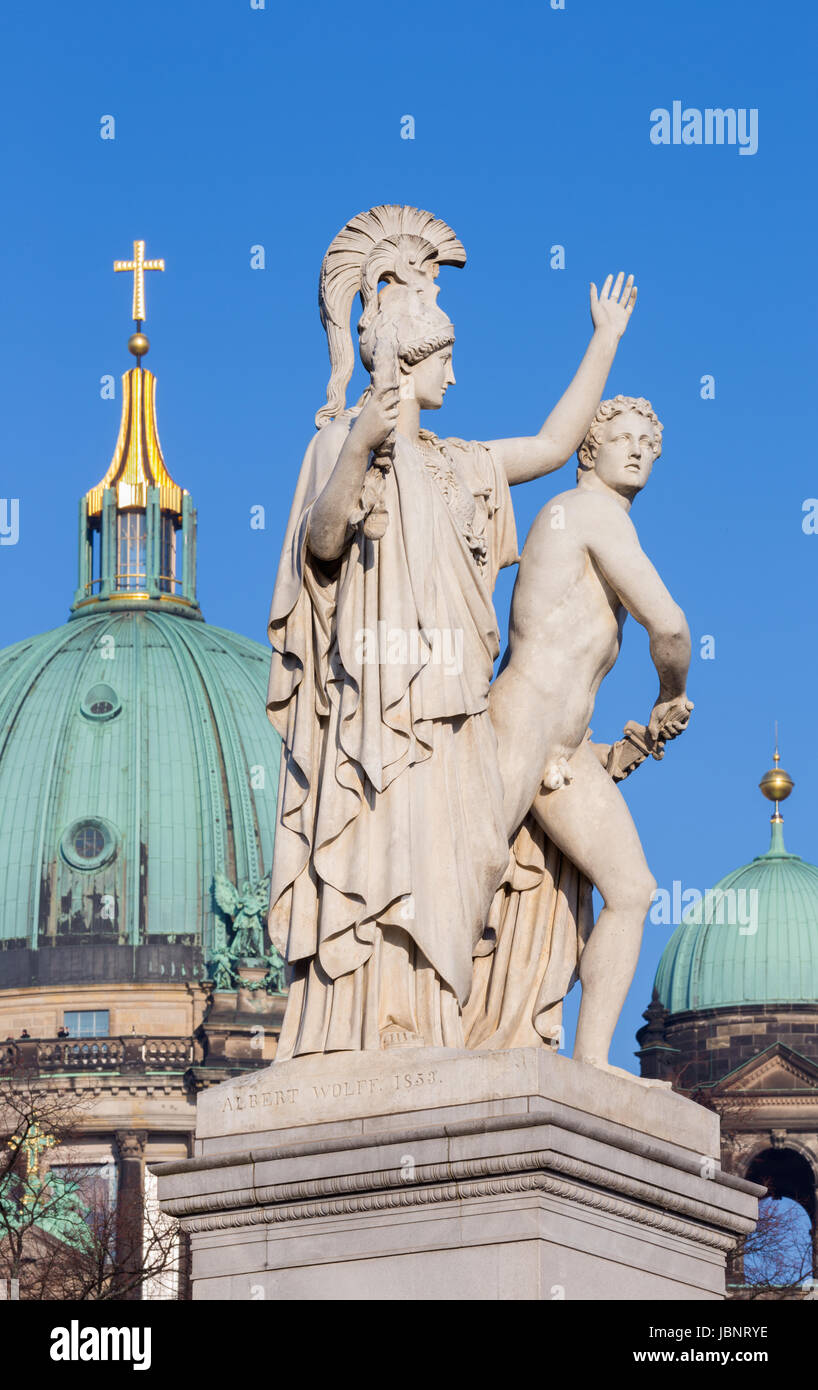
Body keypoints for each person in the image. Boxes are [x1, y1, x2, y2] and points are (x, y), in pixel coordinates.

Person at [267, 205, 638, 1057]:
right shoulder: (338, 444)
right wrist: (360, 447)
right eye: (446, 360)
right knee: (384, 850)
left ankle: (431, 1021)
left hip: (452, 704)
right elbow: (321, 546)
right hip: (375, 708)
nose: (456, 378)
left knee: (448, 867)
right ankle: (372, 1024)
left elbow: (552, 443)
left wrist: (605, 340)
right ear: (408, 358)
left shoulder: (460, 462)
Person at [469, 396, 692, 1071]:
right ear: (587, 451)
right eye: (621, 437)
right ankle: (426, 1028)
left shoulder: (594, 519)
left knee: (632, 889)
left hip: (562, 747)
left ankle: (592, 1064)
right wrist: (672, 694)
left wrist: (614, 748)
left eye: (648, 444)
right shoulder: (589, 513)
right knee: (470, 883)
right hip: (522, 727)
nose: (637, 450)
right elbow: (672, 627)